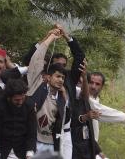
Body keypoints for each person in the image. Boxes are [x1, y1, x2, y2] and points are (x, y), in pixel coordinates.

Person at [26, 25, 85, 159]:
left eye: (63, 77)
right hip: (31, 142)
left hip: (54, 143)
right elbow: (36, 59)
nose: (61, 80)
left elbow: (80, 57)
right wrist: (50, 38)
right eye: (57, 76)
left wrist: (65, 35)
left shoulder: (63, 96)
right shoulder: (36, 86)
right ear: (47, 76)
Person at [0, 79, 37, 159]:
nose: (20, 102)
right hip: (1, 150)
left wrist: (30, 153)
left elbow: (32, 132)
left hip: (21, 152)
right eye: (17, 100)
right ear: (8, 97)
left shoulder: (29, 105)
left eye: (22, 98)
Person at [87, 72, 125, 145]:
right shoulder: (84, 97)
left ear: (102, 86)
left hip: (92, 145)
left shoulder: (96, 98)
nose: (93, 86)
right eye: (91, 82)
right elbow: (102, 111)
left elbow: (100, 116)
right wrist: (124, 116)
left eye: (97, 84)